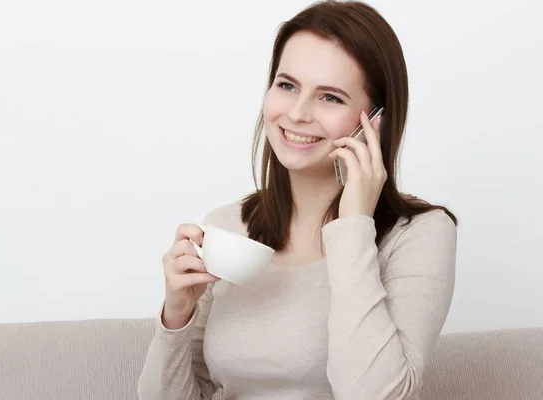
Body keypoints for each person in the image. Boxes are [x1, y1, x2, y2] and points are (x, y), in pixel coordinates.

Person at [138, 0, 458, 398]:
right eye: (287, 86)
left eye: (331, 97)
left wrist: (353, 224)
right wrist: (176, 315)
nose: (297, 113)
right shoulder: (228, 226)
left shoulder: (419, 235)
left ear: (376, 120)